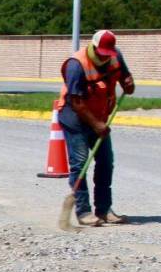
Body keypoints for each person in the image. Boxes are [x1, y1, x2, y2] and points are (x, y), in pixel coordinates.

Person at [57, 29, 135, 226]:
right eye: (101, 53)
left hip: (99, 117)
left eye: (107, 54)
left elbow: (126, 80)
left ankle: (104, 209)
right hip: (74, 117)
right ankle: (83, 212)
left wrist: (129, 84)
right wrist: (96, 124)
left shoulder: (115, 56)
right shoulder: (76, 64)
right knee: (80, 163)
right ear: (93, 46)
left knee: (106, 162)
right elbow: (76, 101)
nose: (104, 57)